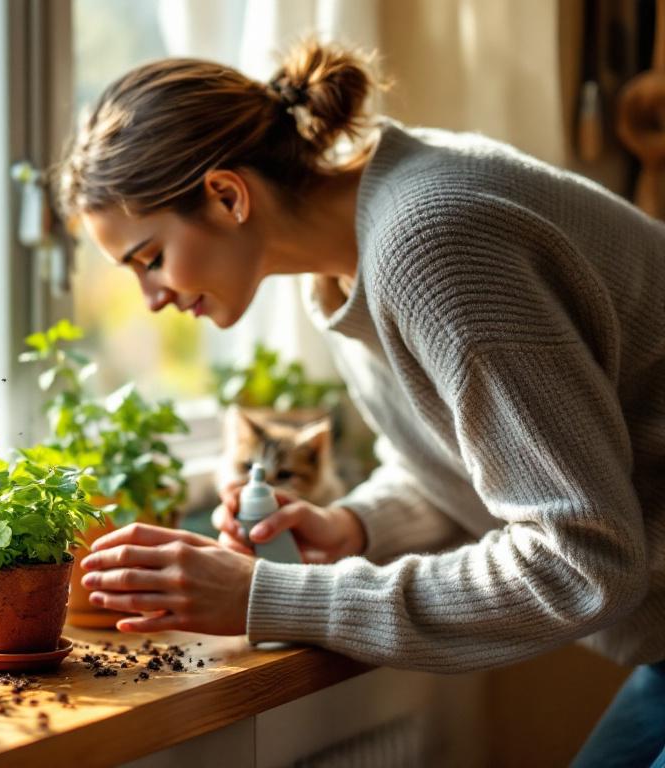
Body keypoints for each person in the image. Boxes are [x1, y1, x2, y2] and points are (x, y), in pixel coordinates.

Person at [63, 40, 665, 767]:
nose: (152, 299)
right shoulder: (352, 256)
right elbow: (468, 459)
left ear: (226, 195)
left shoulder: (431, 244)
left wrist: (270, 596)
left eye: (149, 258)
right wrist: (352, 526)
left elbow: (583, 557)